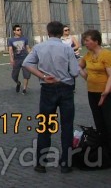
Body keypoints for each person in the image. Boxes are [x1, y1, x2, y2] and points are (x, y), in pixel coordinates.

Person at [23, 20, 80, 173]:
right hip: (66, 88)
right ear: (62, 33)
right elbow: (75, 72)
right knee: (67, 125)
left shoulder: (39, 47)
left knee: (45, 125)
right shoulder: (67, 49)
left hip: (47, 87)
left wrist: (42, 76)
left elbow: (27, 63)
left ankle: (41, 162)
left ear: (48, 32)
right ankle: (66, 163)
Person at [78, 29, 111, 153]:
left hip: (106, 93)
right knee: (99, 122)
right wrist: (86, 76)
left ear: (96, 41)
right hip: (92, 92)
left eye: (87, 41)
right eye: (84, 41)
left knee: (108, 121)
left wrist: (106, 92)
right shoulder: (87, 55)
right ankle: (104, 149)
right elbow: (79, 66)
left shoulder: (106, 54)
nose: (85, 43)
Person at [8, 24, 31, 94]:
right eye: (18, 30)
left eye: (20, 30)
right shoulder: (11, 40)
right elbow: (10, 50)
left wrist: (31, 56)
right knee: (14, 76)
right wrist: (11, 59)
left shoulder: (25, 39)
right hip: (16, 59)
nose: (20, 31)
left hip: (25, 58)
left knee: (26, 74)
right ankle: (18, 83)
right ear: (14, 31)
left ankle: (24, 89)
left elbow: (28, 48)